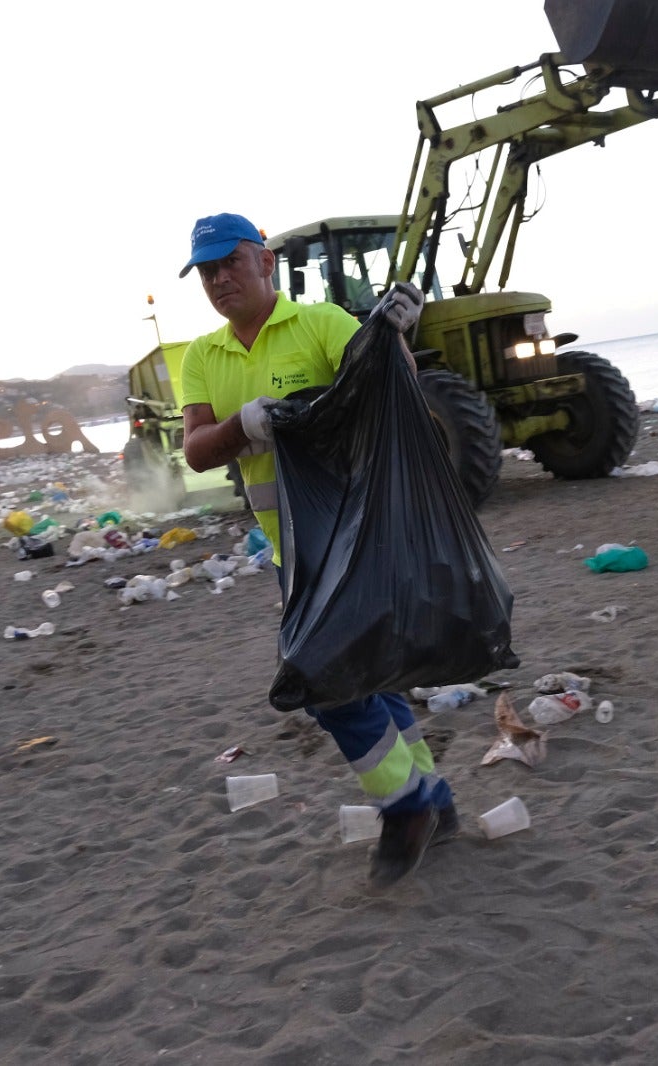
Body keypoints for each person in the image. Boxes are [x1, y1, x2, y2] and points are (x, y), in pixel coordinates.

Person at [175, 212, 458, 889]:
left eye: (230, 263)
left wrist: (390, 339)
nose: (219, 279)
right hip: (291, 553)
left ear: (264, 262)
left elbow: (396, 390)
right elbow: (194, 449)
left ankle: (404, 804)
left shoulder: (323, 324)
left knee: (326, 685)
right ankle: (434, 800)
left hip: (357, 539)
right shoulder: (202, 356)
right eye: (206, 270)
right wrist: (243, 426)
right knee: (370, 679)